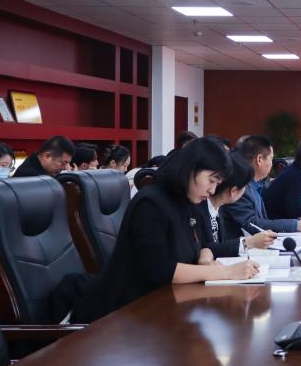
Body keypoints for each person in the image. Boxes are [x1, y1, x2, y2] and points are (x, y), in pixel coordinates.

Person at [68, 137, 260, 323]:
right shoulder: (151, 204)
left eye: (217, 184)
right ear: (191, 168)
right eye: (211, 180)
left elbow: (200, 246)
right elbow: (159, 270)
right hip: (129, 314)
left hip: (168, 307)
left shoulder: (188, 202)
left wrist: (205, 259)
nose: (213, 190)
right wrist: (226, 273)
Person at [222, 135, 301, 235]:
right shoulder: (239, 188)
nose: (271, 164)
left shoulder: (257, 185)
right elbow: (253, 224)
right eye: (271, 159)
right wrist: (296, 225)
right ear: (259, 159)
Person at [192, 152, 276, 258]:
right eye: (246, 187)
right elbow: (206, 249)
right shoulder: (197, 210)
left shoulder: (219, 209)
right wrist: (249, 242)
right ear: (234, 191)